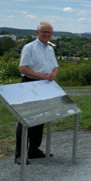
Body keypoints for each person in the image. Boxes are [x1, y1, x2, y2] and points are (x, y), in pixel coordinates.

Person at [15, 21, 59, 165]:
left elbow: (55, 66)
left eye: (49, 32)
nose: (47, 35)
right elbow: (23, 68)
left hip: (45, 85)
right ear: (37, 32)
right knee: (25, 120)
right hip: (30, 83)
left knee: (40, 118)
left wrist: (53, 74)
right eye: (43, 32)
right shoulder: (29, 47)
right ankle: (19, 155)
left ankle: (34, 150)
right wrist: (43, 77)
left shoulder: (50, 49)